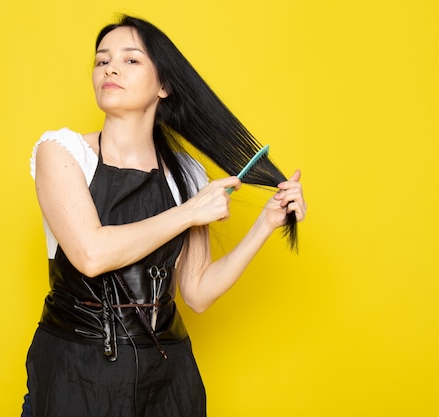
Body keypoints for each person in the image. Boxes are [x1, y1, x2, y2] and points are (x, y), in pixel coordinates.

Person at [22, 15, 307, 417]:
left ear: (164, 85)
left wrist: (265, 224)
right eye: (102, 61)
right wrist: (189, 212)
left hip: (168, 381)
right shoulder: (63, 152)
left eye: (131, 60)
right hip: (75, 373)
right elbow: (90, 254)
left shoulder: (186, 173)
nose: (111, 68)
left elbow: (197, 292)